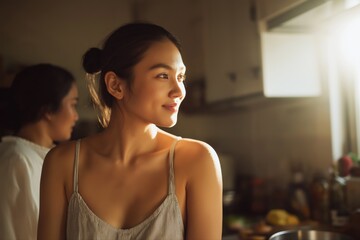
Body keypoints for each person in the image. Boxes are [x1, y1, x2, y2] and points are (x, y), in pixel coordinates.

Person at [38, 22, 223, 240]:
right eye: (163, 75)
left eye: (180, 77)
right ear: (116, 85)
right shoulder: (63, 163)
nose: (179, 90)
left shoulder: (196, 160)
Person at [0, 63, 79, 240]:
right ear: (49, 110)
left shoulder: (53, 157)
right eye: (73, 105)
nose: (76, 116)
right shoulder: (15, 160)